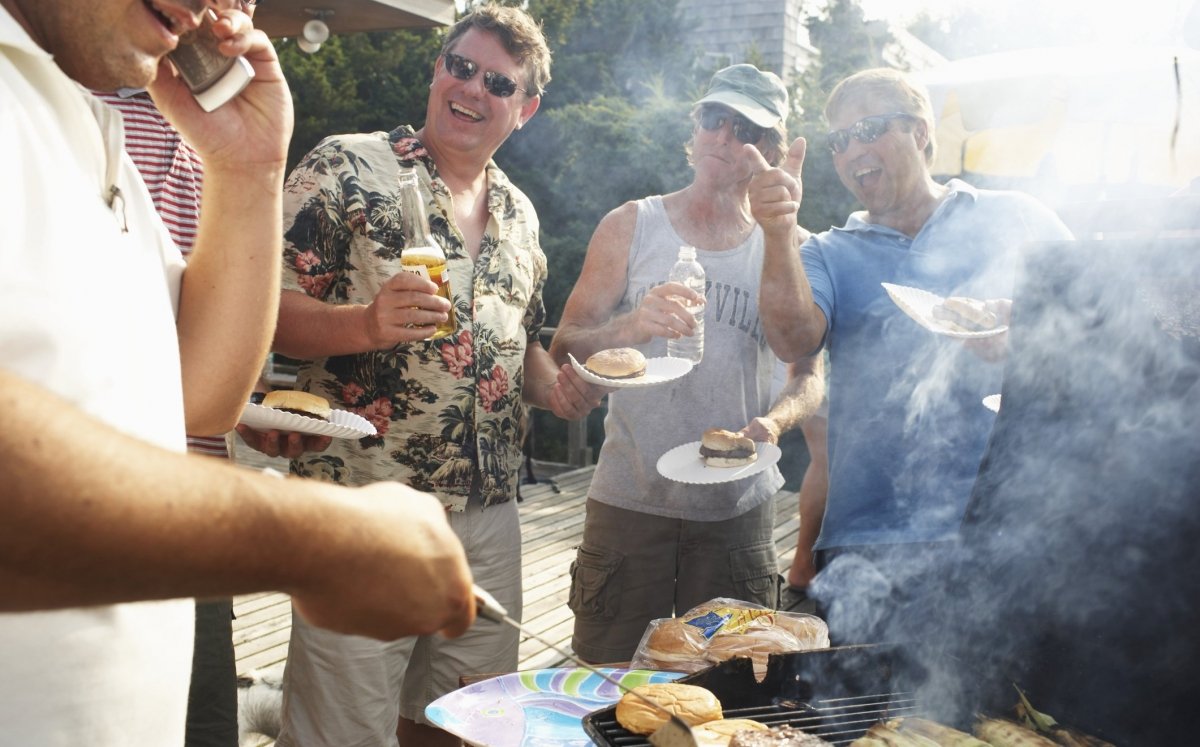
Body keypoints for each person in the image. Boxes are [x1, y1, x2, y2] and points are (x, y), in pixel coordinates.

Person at [0, 2, 476, 745]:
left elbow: (200, 398)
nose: (220, 7)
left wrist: (247, 167)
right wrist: (316, 543)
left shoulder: (73, 113)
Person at [266, 6, 605, 746]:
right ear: (436, 69)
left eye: (497, 82)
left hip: (487, 518)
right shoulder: (346, 167)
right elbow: (260, 307)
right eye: (460, 66)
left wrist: (558, 387)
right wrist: (362, 324)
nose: (471, 88)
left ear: (525, 109)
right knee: (343, 730)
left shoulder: (521, 214)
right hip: (363, 506)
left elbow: (520, 346)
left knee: (466, 726)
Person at [746, 67, 1073, 642]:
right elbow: (793, 340)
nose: (852, 151)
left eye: (869, 129)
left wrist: (1033, 331)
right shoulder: (827, 250)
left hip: (1005, 526)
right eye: (839, 141)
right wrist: (777, 231)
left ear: (922, 133)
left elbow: (1097, 319)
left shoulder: (1016, 216)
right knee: (871, 721)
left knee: (1003, 718)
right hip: (866, 541)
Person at [548, 64, 825, 665]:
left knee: (732, 697)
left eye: (746, 127)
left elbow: (808, 373)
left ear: (773, 150)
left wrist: (775, 424)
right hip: (629, 501)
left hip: (738, 514)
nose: (724, 136)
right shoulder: (631, 224)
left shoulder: (791, 246)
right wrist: (631, 326)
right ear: (693, 131)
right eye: (713, 120)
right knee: (608, 683)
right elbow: (563, 346)